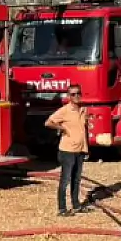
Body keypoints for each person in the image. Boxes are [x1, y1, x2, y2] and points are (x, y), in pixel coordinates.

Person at [44, 85, 91, 216]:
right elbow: (48, 122)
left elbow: (84, 130)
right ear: (68, 97)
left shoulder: (83, 110)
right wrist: (61, 128)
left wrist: (86, 149)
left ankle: (76, 205)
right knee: (65, 180)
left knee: (76, 179)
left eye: (78, 93)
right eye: (73, 94)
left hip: (80, 150)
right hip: (67, 151)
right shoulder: (64, 111)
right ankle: (62, 209)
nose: (76, 96)